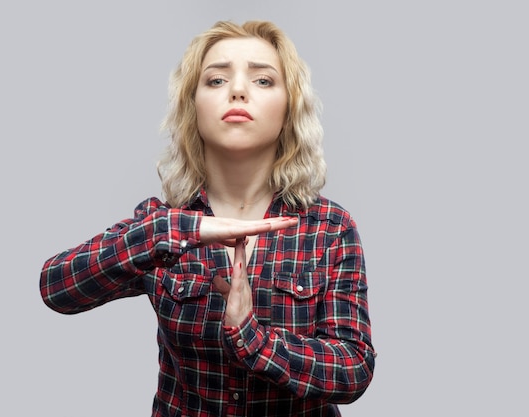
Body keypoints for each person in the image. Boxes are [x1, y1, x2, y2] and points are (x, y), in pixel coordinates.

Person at [40, 20, 375, 417]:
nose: (237, 90)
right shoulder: (160, 224)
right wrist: (180, 229)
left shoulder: (329, 228)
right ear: (192, 107)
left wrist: (253, 339)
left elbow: (353, 368)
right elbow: (57, 287)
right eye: (216, 80)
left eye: (263, 81)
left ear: (289, 109)